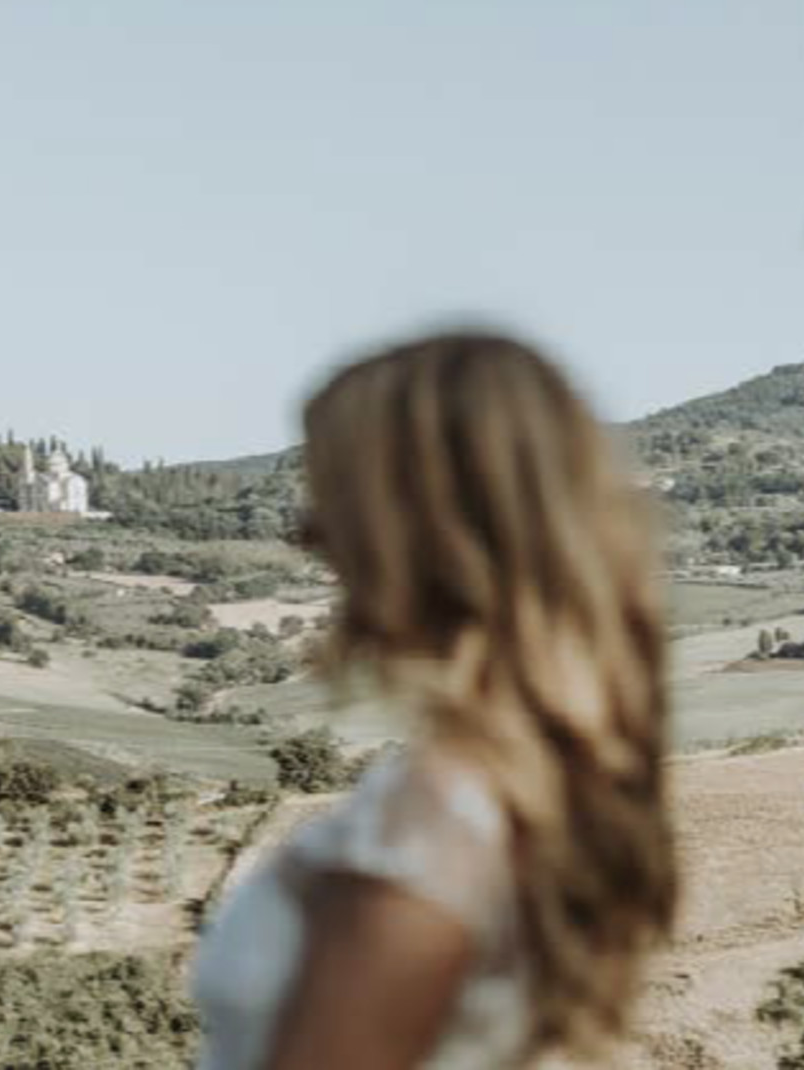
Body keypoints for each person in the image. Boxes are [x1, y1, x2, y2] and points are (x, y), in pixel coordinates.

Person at [192, 332, 679, 1069]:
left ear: (430, 527)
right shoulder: (542, 785)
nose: (305, 532)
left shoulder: (431, 826)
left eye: (336, 492)